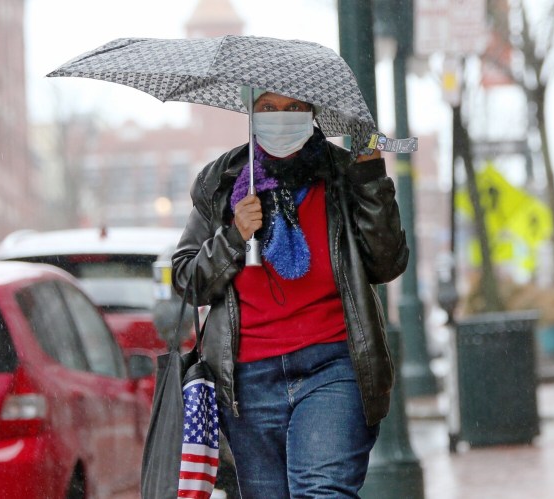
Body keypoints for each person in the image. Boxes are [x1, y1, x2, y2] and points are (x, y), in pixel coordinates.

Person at [172, 87, 409, 498]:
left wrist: (371, 178)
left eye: (293, 107)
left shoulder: (342, 173)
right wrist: (233, 235)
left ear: (312, 112)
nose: (280, 116)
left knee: (323, 491)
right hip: (247, 380)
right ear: (251, 113)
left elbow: (386, 263)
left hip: (333, 366)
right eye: (268, 107)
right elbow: (188, 279)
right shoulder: (221, 181)